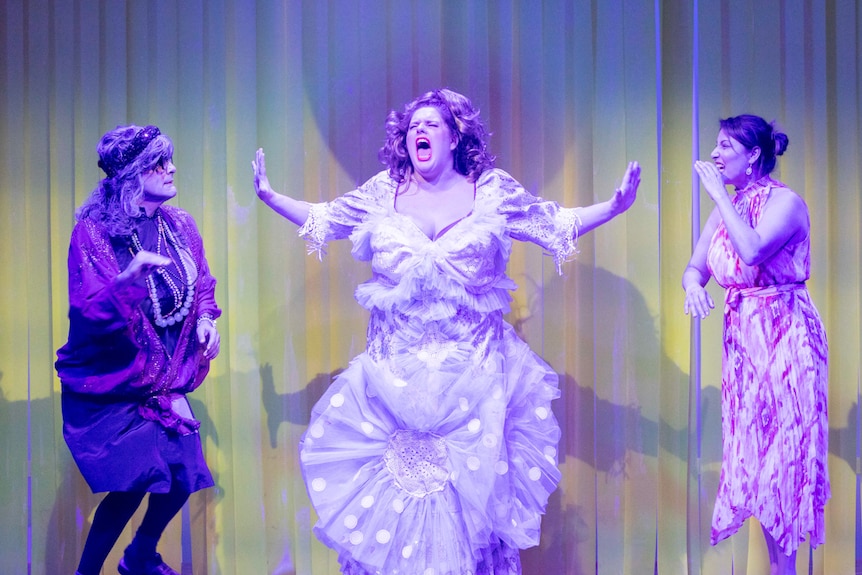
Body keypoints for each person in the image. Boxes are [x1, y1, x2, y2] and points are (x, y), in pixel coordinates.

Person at [253, 88, 639, 575]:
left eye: (431, 125)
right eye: (413, 126)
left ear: (455, 137)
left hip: (471, 384)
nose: (420, 132)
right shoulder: (382, 193)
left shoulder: (491, 191)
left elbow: (552, 223)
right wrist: (269, 196)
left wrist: (613, 207)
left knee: (467, 518)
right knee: (397, 515)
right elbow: (324, 219)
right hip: (396, 385)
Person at [55, 125, 221, 575]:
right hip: (119, 378)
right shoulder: (93, 233)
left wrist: (206, 320)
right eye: (158, 163)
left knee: (184, 473)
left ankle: (140, 555)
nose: (171, 170)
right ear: (132, 175)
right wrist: (126, 282)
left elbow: (202, 283)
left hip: (166, 375)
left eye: (169, 160)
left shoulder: (179, 225)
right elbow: (88, 309)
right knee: (131, 485)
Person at [682, 115, 829, 574]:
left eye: (726, 146)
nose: (715, 154)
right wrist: (692, 286)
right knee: (757, 468)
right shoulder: (727, 206)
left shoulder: (785, 204)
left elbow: (751, 250)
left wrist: (721, 198)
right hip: (745, 351)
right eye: (716, 145)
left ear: (754, 156)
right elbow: (695, 267)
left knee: (784, 465)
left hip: (787, 343)